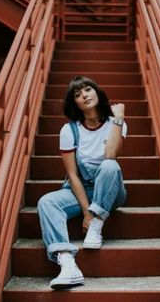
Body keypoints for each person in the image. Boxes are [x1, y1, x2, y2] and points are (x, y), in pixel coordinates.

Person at [38, 76, 127, 290]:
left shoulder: (116, 122)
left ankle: (97, 225)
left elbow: (111, 154)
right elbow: (73, 175)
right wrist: (87, 211)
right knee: (46, 202)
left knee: (109, 166)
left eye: (88, 89)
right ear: (74, 103)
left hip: (110, 190)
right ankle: (67, 263)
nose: (84, 95)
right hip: (81, 189)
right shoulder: (69, 131)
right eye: (78, 94)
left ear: (97, 92)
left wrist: (119, 119)